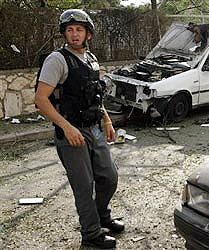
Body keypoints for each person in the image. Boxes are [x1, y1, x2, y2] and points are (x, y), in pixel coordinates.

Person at [35, 9, 124, 248]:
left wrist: (106, 119)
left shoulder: (91, 59)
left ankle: (102, 216)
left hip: (94, 128)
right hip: (70, 132)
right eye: (70, 30)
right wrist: (66, 127)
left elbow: (95, 95)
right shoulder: (57, 59)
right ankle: (91, 233)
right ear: (64, 33)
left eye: (79, 30)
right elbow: (41, 99)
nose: (74, 34)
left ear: (88, 34)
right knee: (84, 185)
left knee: (109, 177)